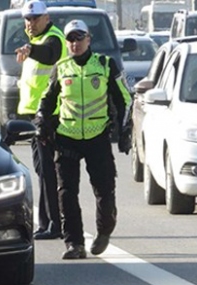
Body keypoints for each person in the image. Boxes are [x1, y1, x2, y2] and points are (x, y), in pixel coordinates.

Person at [35, 19, 132, 259]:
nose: (75, 43)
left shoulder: (105, 64)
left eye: (80, 38)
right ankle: (74, 243)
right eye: (70, 39)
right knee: (66, 192)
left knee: (105, 189)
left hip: (97, 136)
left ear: (89, 39)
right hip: (66, 137)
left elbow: (125, 100)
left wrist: (124, 132)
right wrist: (41, 123)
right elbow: (46, 101)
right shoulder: (61, 67)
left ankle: (104, 231)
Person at [15, 0, 67, 241]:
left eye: (35, 19)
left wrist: (31, 50)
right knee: (42, 170)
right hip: (35, 116)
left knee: (49, 171)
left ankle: (54, 224)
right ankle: (47, 222)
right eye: (27, 19)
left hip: (50, 116)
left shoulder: (53, 38)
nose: (30, 23)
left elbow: (49, 56)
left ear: (46, 18)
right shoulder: (35, 41)